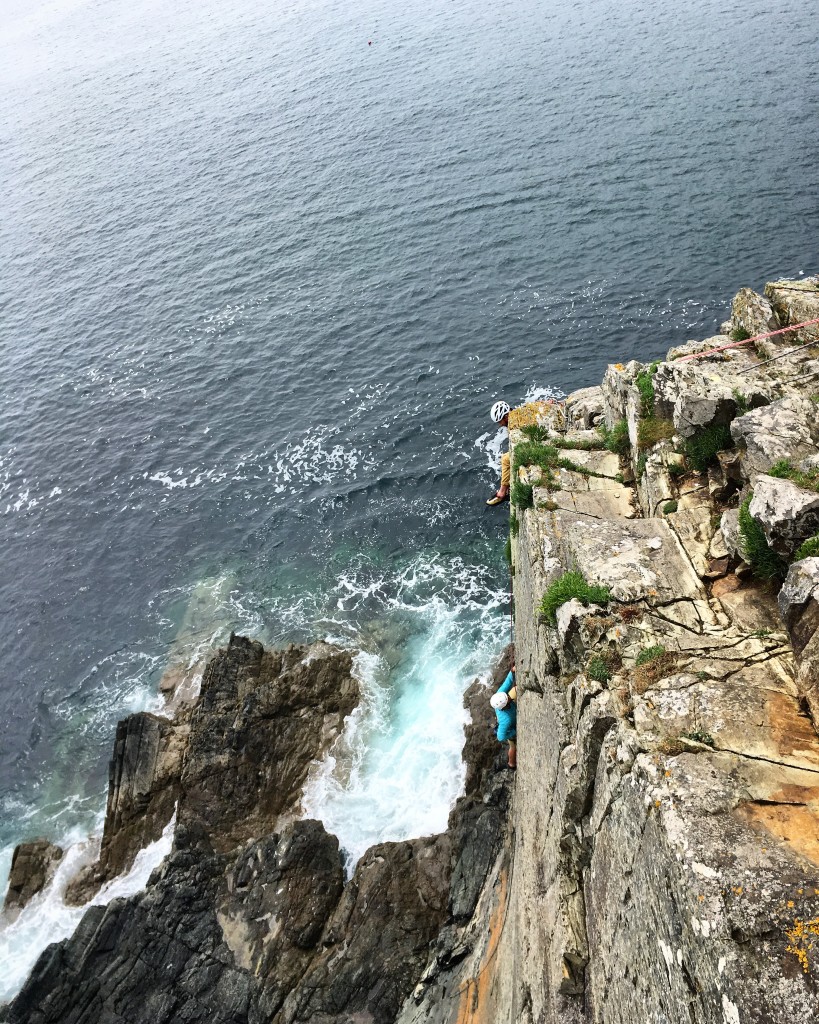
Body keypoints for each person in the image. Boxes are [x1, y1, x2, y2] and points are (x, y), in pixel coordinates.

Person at [490, 664, 517, 768]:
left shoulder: (500, 695)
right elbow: (500, 737)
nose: (509, 698)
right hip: (511, 730)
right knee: (513, 746)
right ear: (503, 707)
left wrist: (512, 671)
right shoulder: (505, 720)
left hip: (512, 711)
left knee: (515, 690)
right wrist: (513, 731)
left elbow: (508, 682)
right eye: (507, 700)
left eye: (507, 698)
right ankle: (511, 764)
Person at [486, 400, 510, 506]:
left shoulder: (513, 423)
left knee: (505, 459)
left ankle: (502, 492)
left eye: (500, 421)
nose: (500, 425)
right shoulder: (515, 415)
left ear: (506, 416)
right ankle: (506, 487)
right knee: (505, 457)